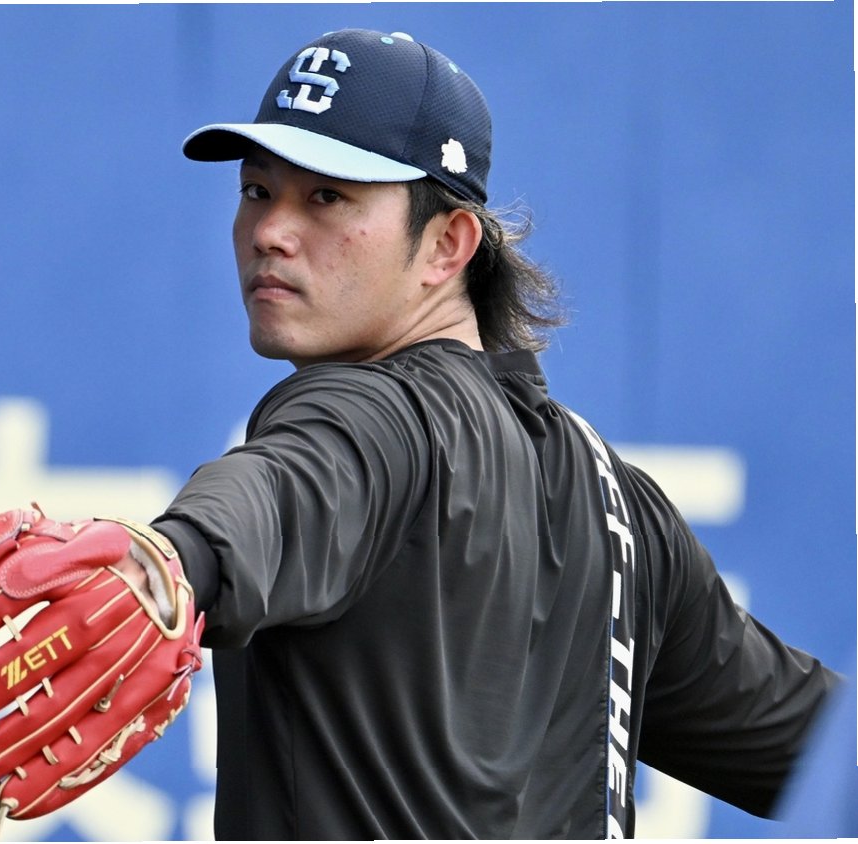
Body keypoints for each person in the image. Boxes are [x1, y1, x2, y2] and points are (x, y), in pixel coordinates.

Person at [114, 27, 839, 839]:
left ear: (447, 244)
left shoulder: (364, 412)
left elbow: (282, 489)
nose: (269, 231)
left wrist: (163, 563)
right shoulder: (622, 509)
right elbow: (825, 753)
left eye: (326, 197)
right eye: (257, 190)